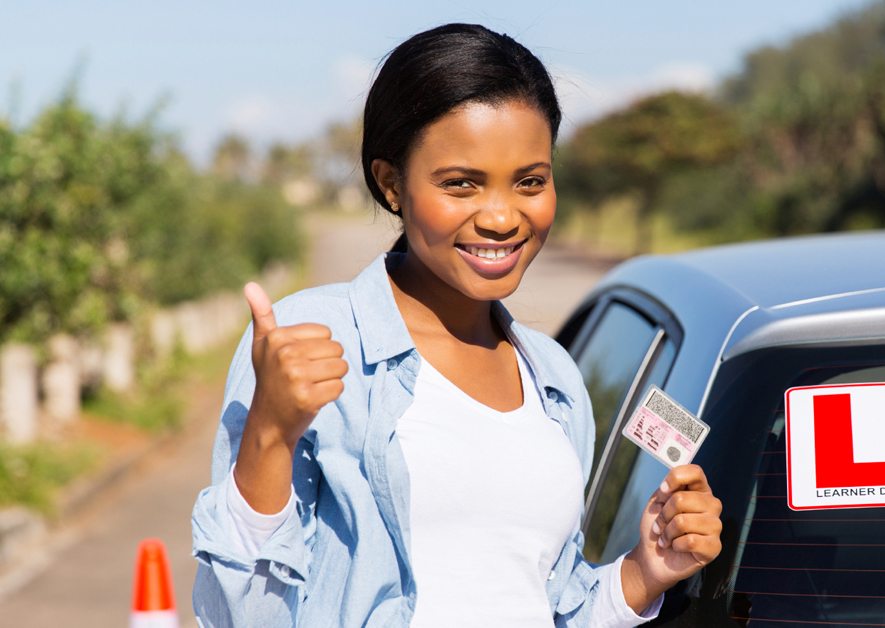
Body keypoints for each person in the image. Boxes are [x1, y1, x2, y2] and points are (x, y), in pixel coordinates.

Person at [191, 23, 722, 628]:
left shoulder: (553, 377)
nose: (501, 216)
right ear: (392, 184)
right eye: (461, 184)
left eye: (530, 181)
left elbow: (553, 607)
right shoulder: (309, 339)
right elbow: (240, 616)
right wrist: (269, 435)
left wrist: (643, 572)